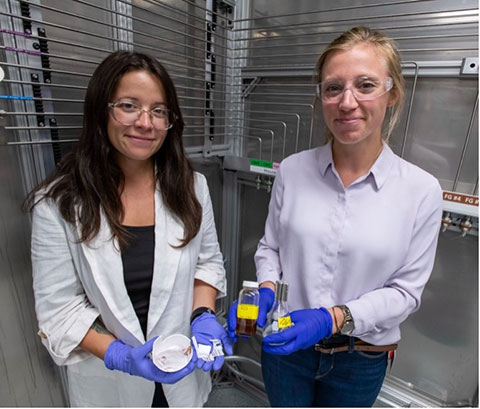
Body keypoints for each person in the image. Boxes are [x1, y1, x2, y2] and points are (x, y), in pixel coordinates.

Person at [227, 26, 443, 407]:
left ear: (392, 93)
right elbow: (270, 248)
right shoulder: (292, 171)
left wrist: (333, 318)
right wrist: (264, 288)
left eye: (365, 85)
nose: (347, 102)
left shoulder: (420, 191)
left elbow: (405, 294)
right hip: (287, 346)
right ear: (320, 97)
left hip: (359, 358)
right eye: (333, 88)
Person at [24, 51, 232, 407]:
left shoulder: (191, 187)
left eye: (158, 110)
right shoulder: (58, 202)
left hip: (181, 372)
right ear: (101, 112)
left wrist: (203, 316)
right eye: (128, 106)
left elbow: (207, 263)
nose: (145, 122)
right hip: (110, 378)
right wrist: (121, 356)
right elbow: (59, 309)